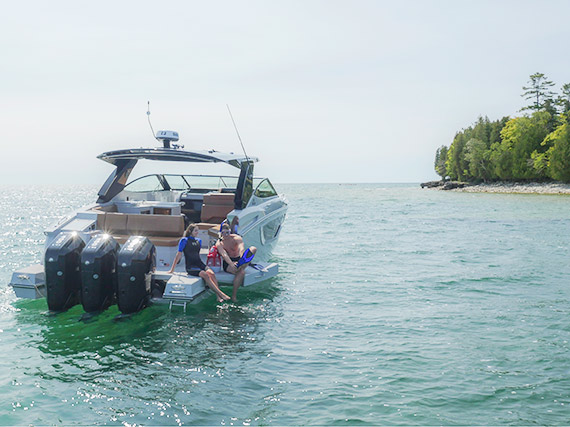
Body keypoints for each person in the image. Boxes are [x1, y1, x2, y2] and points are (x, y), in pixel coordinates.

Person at [169, 223, 230, 302]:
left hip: (199, 264)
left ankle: (218, 297)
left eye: (198, 231)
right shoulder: (184, 240)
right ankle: (221, 294)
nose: (197, 232)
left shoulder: (199, 241)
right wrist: (172, 269)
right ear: (190, 231)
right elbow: (178, 255)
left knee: (211, 273)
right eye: (196, 231)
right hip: (191, 266)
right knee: (204, 274)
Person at [216, 223, 257, 302]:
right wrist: (231, 264)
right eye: (223, 233)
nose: (225, 235)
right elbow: (224, 255)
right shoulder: (219, 243)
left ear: (230, 232)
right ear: (220, 233)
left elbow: (241, 248)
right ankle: (234, 296)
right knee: (241, 272)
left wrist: (242, 257)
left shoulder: (236, 238)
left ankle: (243, 262)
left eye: (227, 233)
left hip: (238, 259)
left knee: (253, 249)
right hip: (228, 263)